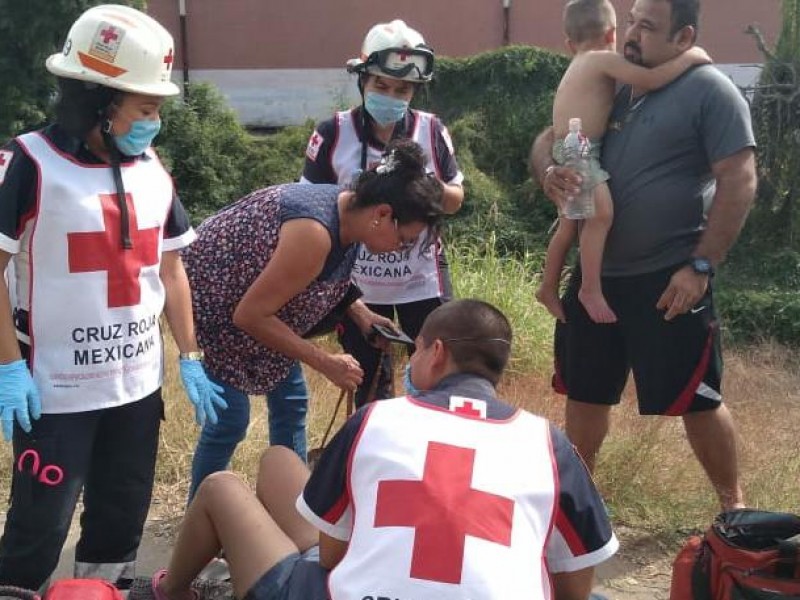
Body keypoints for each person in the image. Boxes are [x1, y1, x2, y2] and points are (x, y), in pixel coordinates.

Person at [139, 299, 618, 600]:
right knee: (279, 460)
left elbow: (331, 559)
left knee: (223, 486)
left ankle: (173, 591)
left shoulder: (376, 418)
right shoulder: (550, 443)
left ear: (435, 353)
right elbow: (575, 584)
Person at [0, 4, 224, 591]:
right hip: (53, 392)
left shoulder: (154, 169)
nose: (155, 122)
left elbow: (170, 269)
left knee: (119, 522)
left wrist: (191, 356)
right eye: (146, 108)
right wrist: (6, 368)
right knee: (38, 526)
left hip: (135, 389)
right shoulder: (31, 164)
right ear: (96, 100)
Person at [530, 0, 757, 511]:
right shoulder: (617, 78)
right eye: (630, 22)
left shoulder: (709, 90)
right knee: (585, 392)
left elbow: (739, 180)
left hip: (668, 278)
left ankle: (733, 510)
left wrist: (701, 266)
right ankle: (577, 503)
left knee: (697, 400)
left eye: (647, 27)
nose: (631, 34)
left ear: (685, 38)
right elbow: (551, 135)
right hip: (598, 276)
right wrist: (549, 170)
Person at [184, 139, 445, 500]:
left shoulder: (347, 213)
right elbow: (250, 315)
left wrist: (362, 313)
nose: (400, 248)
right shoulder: (313, 232)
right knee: (229, 419)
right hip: (215, 308)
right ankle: (202, 513)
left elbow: (320, 276)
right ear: (382, 214)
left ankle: (292, 507)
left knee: (291, 403)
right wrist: (325, 362)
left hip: (259, 308)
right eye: (403, 239)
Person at [301, 19, 465, 408]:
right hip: (358, 284)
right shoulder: (333, 133)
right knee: (370, 388)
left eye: (403, 89)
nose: (391, 95)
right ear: (363, 82)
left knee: (440, 378)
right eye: (381, 86)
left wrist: (422, 184)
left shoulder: (431, 130)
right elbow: (310, 211)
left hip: (422, 280)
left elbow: (456, 197)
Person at [537, 0, 710, 324]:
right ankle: (589, 289)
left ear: (569, 43)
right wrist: (692, 57)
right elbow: (654, 78)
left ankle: (548, 286)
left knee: (569, 225)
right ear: (612, 33)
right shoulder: (601, 59)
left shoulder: (576, 63)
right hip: (582, 151)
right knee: (601, 214)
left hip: (569, 147)